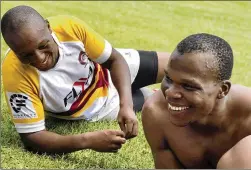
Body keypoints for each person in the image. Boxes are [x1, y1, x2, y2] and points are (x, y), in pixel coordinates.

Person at [1, 5, 170, 154]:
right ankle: (150, 95)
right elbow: (32, 137)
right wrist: (87, 141)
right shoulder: (15, 72)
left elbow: (114, 60)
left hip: (109, 71)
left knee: (179, 67)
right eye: (26, 55)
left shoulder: (68, 27)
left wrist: (126, 105)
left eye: (43, 46)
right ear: (13, 50)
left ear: (48, 28)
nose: (39, 59)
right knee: (159, 102)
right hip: (99, 107)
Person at [142, 33, 251, 168]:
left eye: (188, 86)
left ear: (223, 89)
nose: (170, 93)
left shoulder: (247, 114)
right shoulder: (156, 113)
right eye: (169, 78)